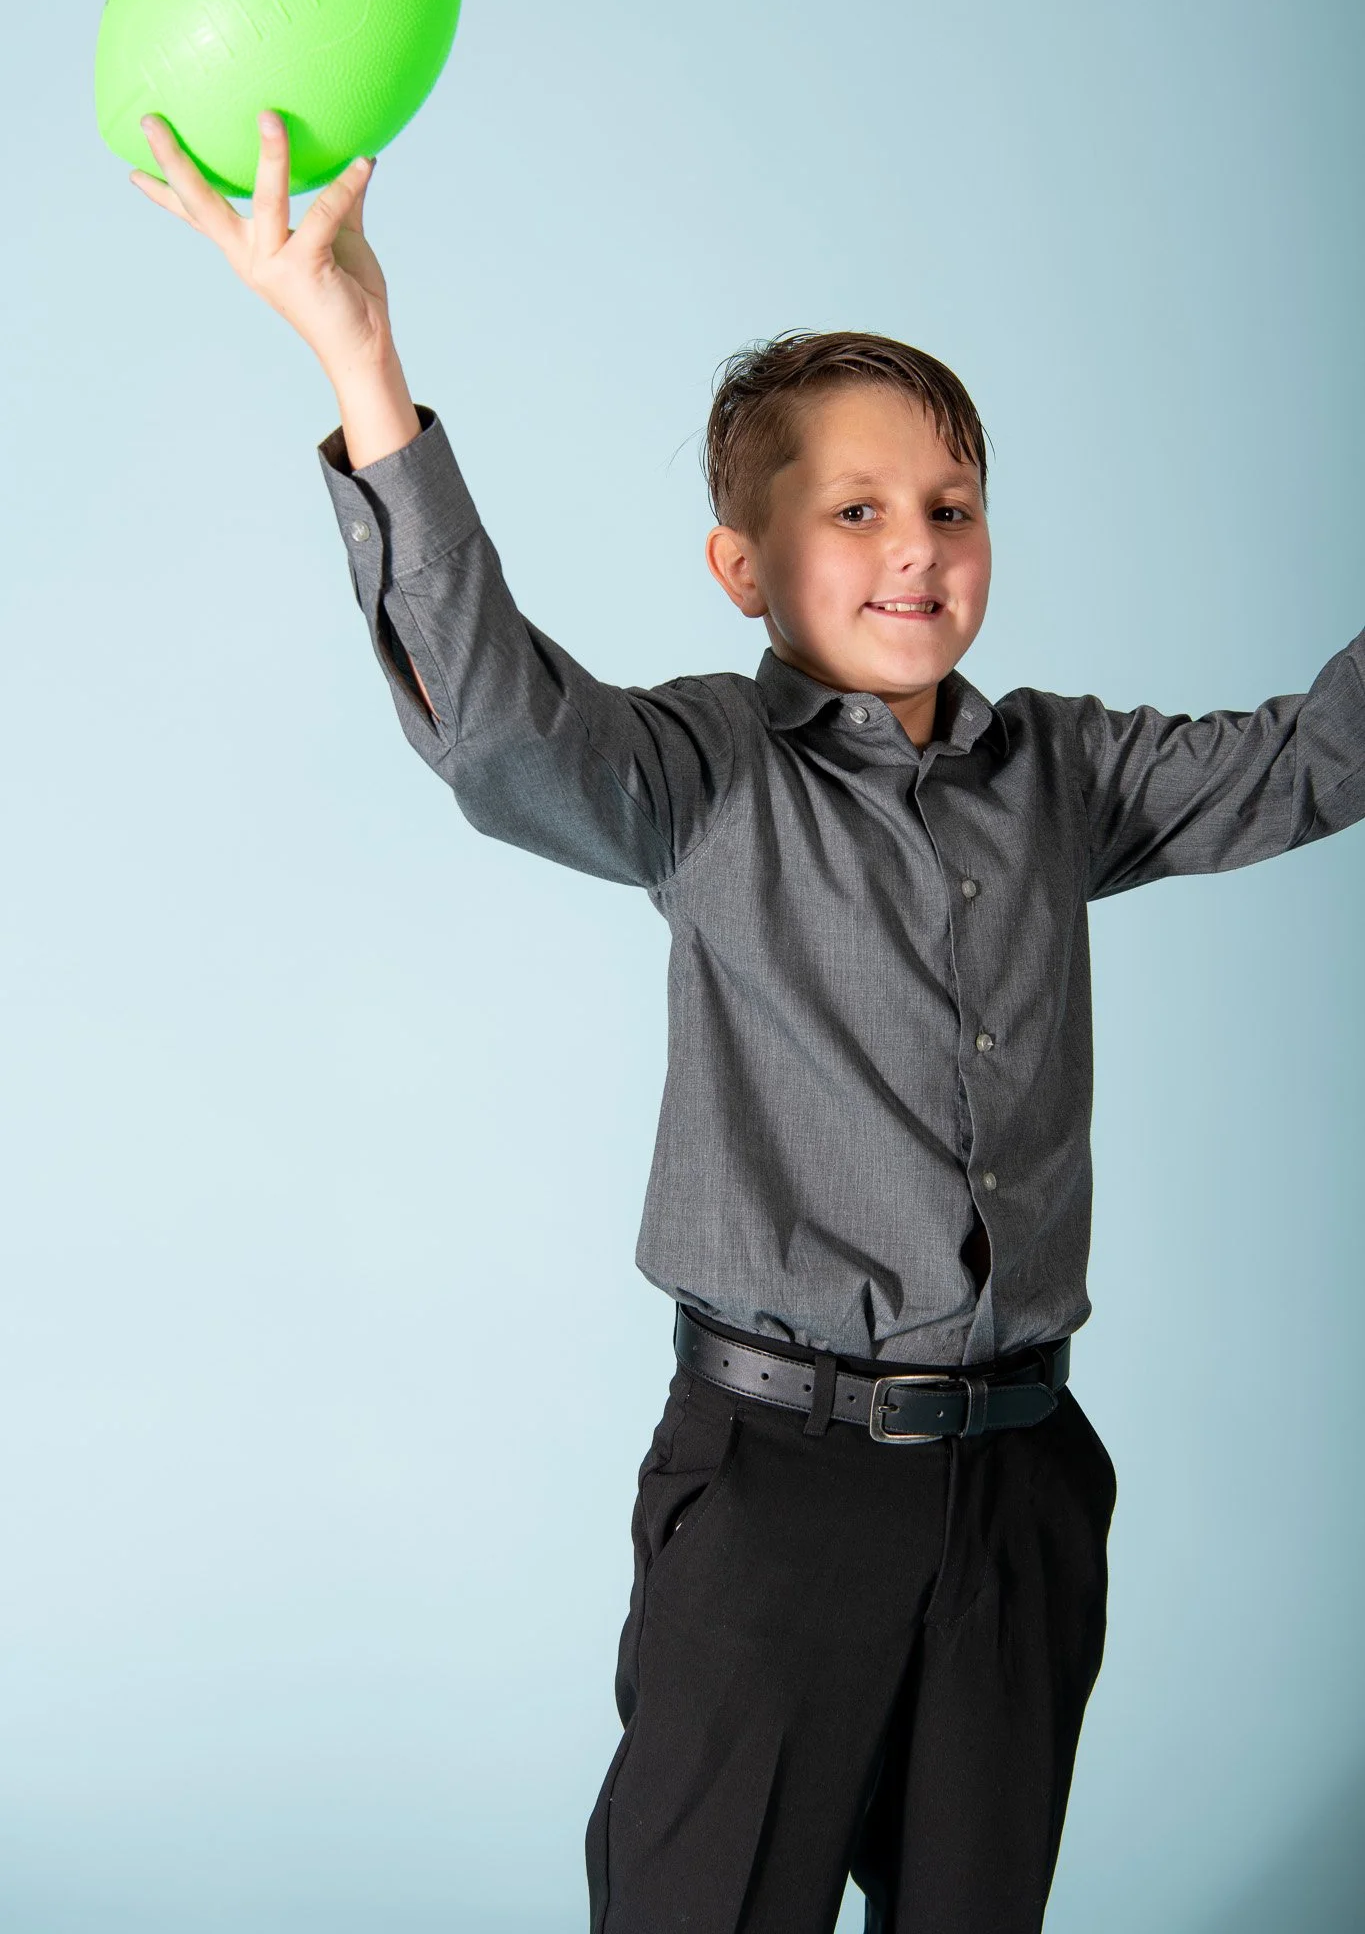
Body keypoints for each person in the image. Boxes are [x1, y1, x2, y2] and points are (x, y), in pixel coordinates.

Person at [130, 112, 1365, 1934]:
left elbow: (1316, 759)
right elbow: (493, 729)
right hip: (779, 1497)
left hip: (1023, 1489)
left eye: (951, 507)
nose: (915, 553)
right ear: (743, 565)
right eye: (853, 511)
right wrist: (360, 356)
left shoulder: (1064, 774)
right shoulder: (706, 771)